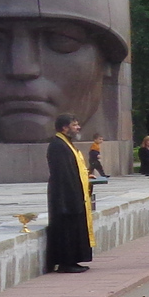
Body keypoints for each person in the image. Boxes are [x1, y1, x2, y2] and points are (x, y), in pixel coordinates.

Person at [43, 117, 94, 273]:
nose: (78, 127)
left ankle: (73, 260)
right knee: (66, 228)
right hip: (65, 195)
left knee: (74, 228)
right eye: (75, 124)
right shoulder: (58, 146)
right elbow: (64, 174)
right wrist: (72, 196)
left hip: (72, 193)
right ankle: (66, 263)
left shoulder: (66, 143)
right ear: (65, 128)